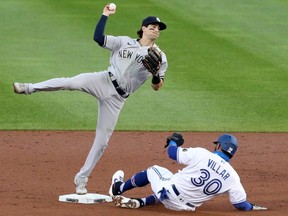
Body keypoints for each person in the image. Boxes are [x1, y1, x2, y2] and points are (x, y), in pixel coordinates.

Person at [12, 4, 168, 194]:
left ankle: (81, 179)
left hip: (117, 99)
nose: (155, 29)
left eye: (158, 28)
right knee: (70, 83)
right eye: (152, 26)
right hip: (103, 80)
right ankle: (28, 88)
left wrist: (155, 75)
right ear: (143, 28)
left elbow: (157, 86)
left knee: (102, 141)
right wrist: (105, 15)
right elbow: (98, 38)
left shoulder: (160, 57)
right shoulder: (124, 42)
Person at [108, 133, 268, 211]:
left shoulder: (202, 153)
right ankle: (143, 202)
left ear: (219, 146)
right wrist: (252, 207)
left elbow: (172, 153)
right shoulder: (233, 177)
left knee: (154, 170)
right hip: (185, 208)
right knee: (171, 181)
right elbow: (240, 205)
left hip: (169, 193)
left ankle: (118, 188)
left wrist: (173, 141)